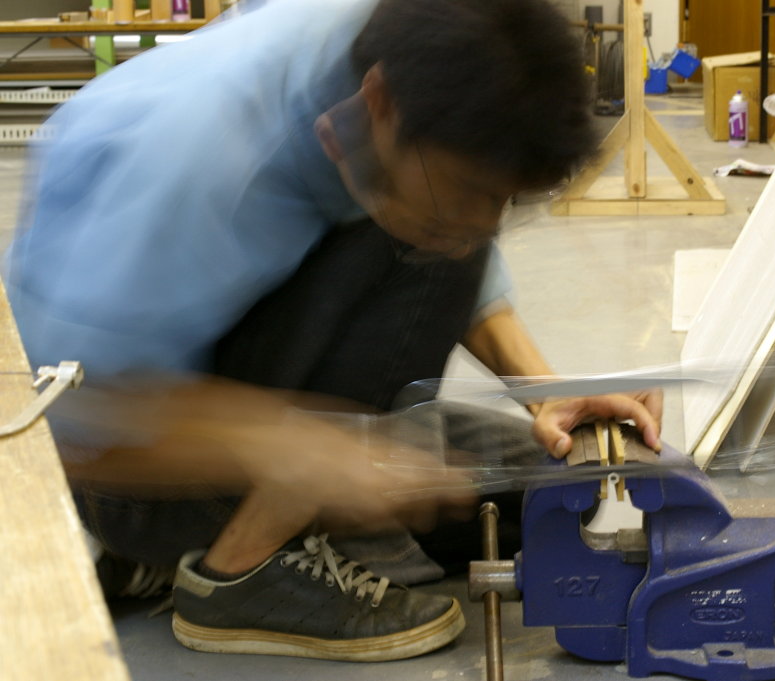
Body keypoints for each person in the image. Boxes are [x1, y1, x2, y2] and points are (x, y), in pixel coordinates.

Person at [4, 0, 663, 663]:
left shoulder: (402, 54)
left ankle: (224, 536)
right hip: (117, 469)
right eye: (471, 190)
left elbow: (460, 231)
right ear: (380, 101)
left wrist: (545, 392)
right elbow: (67, 424)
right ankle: (238, 570)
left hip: (215, 384)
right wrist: (300, 450)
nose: (484, 224)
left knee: (536, 499)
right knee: (418, 228)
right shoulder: (201, 156)